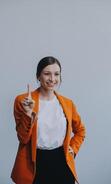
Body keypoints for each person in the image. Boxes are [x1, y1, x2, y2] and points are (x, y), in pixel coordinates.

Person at [11, 56, 86, 184]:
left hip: (61, 162)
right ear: (38, 76)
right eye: (47, 74)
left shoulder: (68, 103)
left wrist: (73, 149)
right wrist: (29, 115)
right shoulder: (23, 101)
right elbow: (23, 139)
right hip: (35, 164)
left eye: (56, 74)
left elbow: (80, 131)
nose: (52, 79)